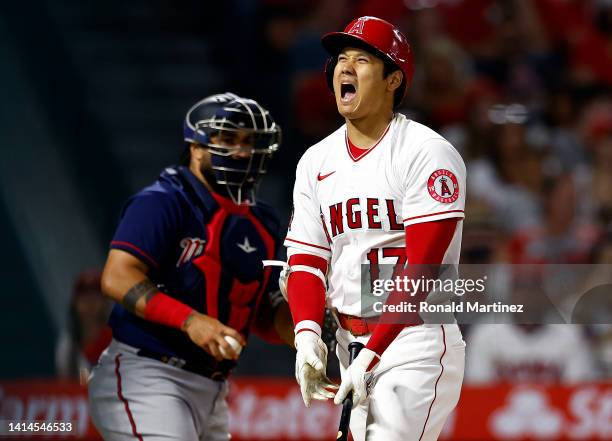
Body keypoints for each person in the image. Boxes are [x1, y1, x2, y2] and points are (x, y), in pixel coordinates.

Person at [283, 17, 467, 441]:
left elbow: (422, 269)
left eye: (362, 60)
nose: (344, 68)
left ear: (393, 79)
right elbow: (307, 260)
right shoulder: (316, 161)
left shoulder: (427, 152)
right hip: (350, 340)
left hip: (414, 341)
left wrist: (371, 356)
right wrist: (308, 334)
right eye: (340, 60)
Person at [88, 93, 293, 441]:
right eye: (227, 139)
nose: (241, 152)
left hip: (212, 390)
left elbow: (260, 313)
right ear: (196, 147)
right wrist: (190, 320)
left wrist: (308, 330)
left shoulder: (263, 222)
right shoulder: (163, 201)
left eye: (249, 142)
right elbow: (117, 276)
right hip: (148, 374)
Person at [55, 269, 112, 381]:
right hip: (79, 396)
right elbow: (67, 383)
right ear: (75, 303)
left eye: (95, 297)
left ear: (104, 302)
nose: (90, 302)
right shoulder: (68, 344)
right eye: (85, 297)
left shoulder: (116, 338)